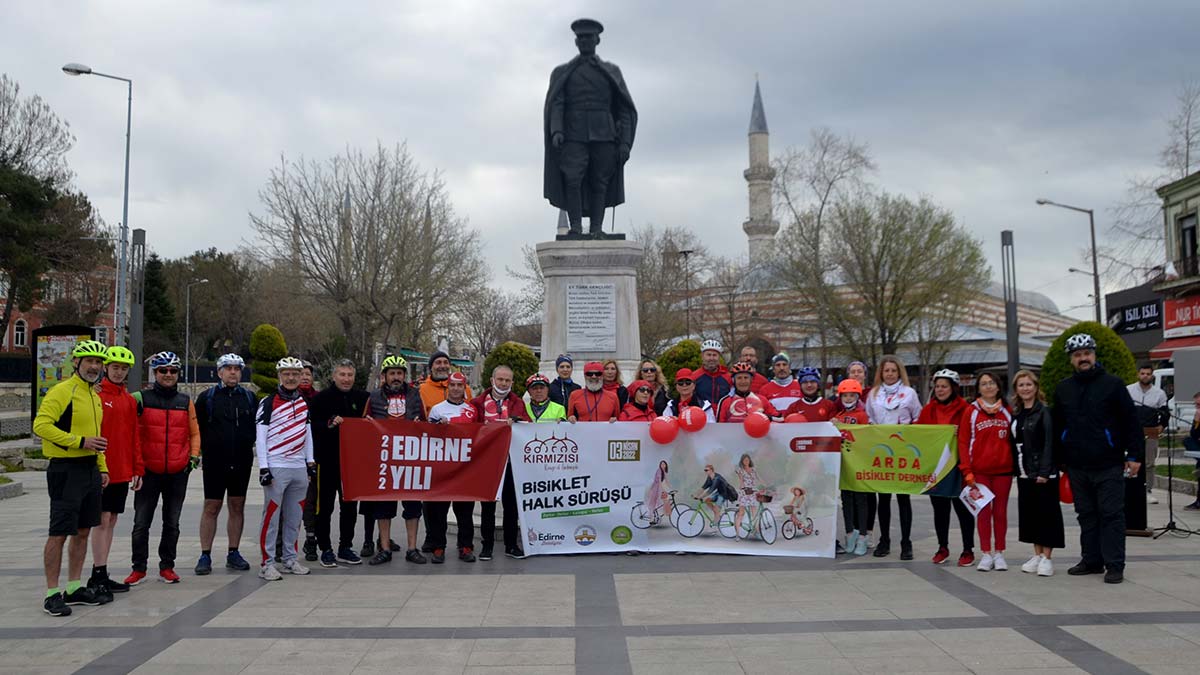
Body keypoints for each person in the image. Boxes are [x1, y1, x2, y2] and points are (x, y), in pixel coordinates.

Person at [1053, 333, 1143, 584]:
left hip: (1109, 463)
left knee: (1111, 515)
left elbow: (1131, 421)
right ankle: (1091, 560)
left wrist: (1134, 455)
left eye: (1087, 353)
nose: (1083, 358)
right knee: (1086, 515)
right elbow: (1058, 425)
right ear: (1071, 359)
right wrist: (1060, 460)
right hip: (1077, 465)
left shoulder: (1113, 384)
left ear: (1094, 355)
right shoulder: (1063, 388)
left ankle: (1114, 565)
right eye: (1077, 355)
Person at [35, 340, 110, 616]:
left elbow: (96, 435)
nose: (94, 366)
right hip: (65, 469)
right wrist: (79, 441)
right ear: (76, 362)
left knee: (83, 531)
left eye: (98, 362)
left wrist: (102, 466)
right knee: (59, 533)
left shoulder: (94, 395)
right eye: (89, 361)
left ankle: (74, 587)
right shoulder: (62, 391)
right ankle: (52, 593)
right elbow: (41, 425)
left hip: (89, 469)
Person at [126, 351, 201, 586]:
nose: (168, 374)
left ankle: (167, 566)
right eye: (162, 370)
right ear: (154, 373)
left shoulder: (185, 401)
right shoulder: (140, 398)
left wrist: (193, 457)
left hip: (177, 471)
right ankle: (138, 568)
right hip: (148, 471)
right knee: (141, 523)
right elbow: (125, 421)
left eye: (173, 371)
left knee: (172, 523)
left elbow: (195, 433)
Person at [193, 353, 257, 576]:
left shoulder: (249, 398)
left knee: (237, 505)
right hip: (215, 461)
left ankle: (233, 552)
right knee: (211, 506)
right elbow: (196, 428)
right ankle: (205, 554)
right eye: (228, 368)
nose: (233, 372)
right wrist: (197, 454)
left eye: (237, 369)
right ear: (219, 372)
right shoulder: (207, 398)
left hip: (241, 460)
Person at [255, 356, 316, 580]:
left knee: (294, 517)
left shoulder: (303, 402)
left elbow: (307, 434)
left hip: (298, 467)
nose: (291, 377)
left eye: (295, 374)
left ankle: (290, 558)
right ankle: (267, 563)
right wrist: (264, 467)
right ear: (279, 376)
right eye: (286, 373)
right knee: (271, 517)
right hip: (276, 465)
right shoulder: (268, 402)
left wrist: (310, 462)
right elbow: (260, 436)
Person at [361, 355, 427, 565]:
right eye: (392, 373)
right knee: (383, 507)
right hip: (385, 461)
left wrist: (420, 424)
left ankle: (412, 548)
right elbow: (363, 425)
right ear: (385, 376)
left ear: (404, 375)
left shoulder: (415, 395)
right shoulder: (374, 397)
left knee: (413, 506)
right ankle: (385, 549)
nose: (396, 377)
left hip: (409, 460)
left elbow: (426, 424)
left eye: (399, 373)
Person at [88, 346, 141, 599]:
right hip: (102, 469)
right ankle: (97, 573)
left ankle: (102, 570)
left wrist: (137, 468)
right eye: (115, 367)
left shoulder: (129, 400)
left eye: (124, 368)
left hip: (122, 469)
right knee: (102, 519)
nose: (119, 372)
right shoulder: (96, 395)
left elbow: (134, 436)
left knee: (112, 520)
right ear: (106, 368)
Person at [308, 359, 370, 568]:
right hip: (326, 462)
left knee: (349, 507)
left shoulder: (363, 398)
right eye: (342, 374)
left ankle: (345, 547)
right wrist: (329, 423)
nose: (346, 379)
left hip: (352, 464)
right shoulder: (320, 399)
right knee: (324, 507)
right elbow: (311, 427)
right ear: (334, 376)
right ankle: (325, 548)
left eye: (349, 375)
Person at [916, 369, 975, 568]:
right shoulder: (928, 410)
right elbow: (919, 434)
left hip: (958, 466)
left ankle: (968, 549)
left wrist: (960, 432)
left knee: (963, 509)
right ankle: (942, 547)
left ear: (953, 388)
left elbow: (972, 433)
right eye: (937, 386)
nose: (940, 390)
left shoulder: (965, 409)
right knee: (940, 510)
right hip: (938, 468)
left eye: (944, 386)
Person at [865, 354, 922, 560]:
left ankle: (906, 543)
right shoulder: (873, 394)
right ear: (881, 373)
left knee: (903, 498)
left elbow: (918, 417)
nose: (890, 374)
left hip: (903, 451)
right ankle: (885, 540)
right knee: (884, 499)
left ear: (899, 372)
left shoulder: (909, 394)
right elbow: (869, 419)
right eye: (886, 370)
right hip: (881, 452)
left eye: (893, 370)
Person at [472, 365, 531, 560]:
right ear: (492, 380)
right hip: (487, 462)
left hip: (511, 462)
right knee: (487, 506)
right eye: (500, 379)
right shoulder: (478, 403)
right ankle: (486, 546)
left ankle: (511, 545)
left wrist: (519, 423)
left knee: (511, 506)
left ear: (512, 382)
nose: (503, 383)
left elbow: (528, 425)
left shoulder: (518, 403)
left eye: (507, 380)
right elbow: (470, 428)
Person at [416, 349, 472, 553]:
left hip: (462, 460)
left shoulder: (469, 399)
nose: (442, 365)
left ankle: (465, 545)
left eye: (445, 362)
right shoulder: (422, 389)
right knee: (433, 505)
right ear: (431, 367)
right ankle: (433, 540)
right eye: (437, 362)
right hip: (436, 458)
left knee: (463, 506)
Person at [958, 372, 1014, 572]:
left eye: (991, 383)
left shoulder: (1007, 411)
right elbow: (963, 442)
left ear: (998, 386)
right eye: (984, 384)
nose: (988, 386)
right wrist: (967, 471)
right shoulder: (971, 411)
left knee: (1000, 512)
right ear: (978, 389)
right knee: (983, 512)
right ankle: (986, 553)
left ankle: (999, 552)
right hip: (979, 472)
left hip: (1003, 471)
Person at [1012, 369, 1063, 577]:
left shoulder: (1045, 412)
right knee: (1031, 515)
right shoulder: (1017, 413)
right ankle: (1037, 554)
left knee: (1047, 515)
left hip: (1043, 473)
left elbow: (1050, 442)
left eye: (1029, 384)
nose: (1025, 388)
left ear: (1036, 387)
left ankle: (1047, 558)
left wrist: (1045, 471)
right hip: (1024, 472)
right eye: (1021, 385)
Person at [426, 371, 480, 564]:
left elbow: (479, 436)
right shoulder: (436, 410)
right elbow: (428, 437)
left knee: (465, 510)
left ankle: (465, 546)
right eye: (453, 385)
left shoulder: (471, 410)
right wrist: (439, 427)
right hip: (443, 468)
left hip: (465, 468)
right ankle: (438, 546)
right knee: (438, 510)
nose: (456, 388)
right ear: (448, 387)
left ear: (464, 388)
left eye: (460, 385)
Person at [832, 378, 874, 556]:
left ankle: (863, 535)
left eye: (852, 395)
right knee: (846, 499)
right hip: (844, 464)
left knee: (861, 499)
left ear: (857, 397)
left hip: (859, 463)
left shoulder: (862, 415)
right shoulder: (838, 416)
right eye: (845, 395)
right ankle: (850, 533)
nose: (848, 398)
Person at [1128, 364, 1168, 504]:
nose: (1145, 376)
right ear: (1138, 374)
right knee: (1130, 460)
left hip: (1150, 432)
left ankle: (1148, 490)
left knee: (1149, 463)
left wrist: (1162, 426)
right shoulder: (1128, 390)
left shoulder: (1159, 393)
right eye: (1143, 373)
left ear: (1152, 376)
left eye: (1148, 374)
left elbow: (1165, 413)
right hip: (1132, 432)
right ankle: (1130, 489)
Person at [715, 363, 780, 422]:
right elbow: (719, 426)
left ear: (751, 380)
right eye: (739, 378)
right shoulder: (725, 401)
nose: (743, 381)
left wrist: (766, 417)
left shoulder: (762, 400)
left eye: (746, 378)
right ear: (733, 380)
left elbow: (780, 418)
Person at [733, 453, 763, 540]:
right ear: (742, 461)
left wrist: (765, 485)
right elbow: (741, 481)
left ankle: (757, 531)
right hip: (744, 492)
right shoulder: (741, 470)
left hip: (753, 492)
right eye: (744, 460)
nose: (746, 461)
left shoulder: (753, 469)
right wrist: (743, 488)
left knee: (754, 513)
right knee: (741, 513)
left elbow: (759, 478)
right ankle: (737, 535)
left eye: (747, 460)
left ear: (749, 460)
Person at [694, 339, 731, 404]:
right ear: (702, 356)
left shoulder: (728, 377)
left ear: (719, 357)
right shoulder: (694, 376)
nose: (711, 358)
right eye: (708, 355)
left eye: (714, 355)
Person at [644, 460, 672, 525]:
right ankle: (651, 519)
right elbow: (659, 481)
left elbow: (666, 481)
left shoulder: (664, 472)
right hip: (655, 488)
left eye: (664, 464)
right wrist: (662, 489)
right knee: (653, 503)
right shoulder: (659, 471)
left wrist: (671, 488)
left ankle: (657, 516)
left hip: (659, 487)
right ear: (660, 465)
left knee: (661, 501)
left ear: (666, 465)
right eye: (661, 464)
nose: (663, 465)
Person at [1186, 391, 1200, 511]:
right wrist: (1196, 421)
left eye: (1199, 405)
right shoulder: (1198, 415)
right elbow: (1194, 435)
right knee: (1187, 440)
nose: (1197, 407)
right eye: (1196, 405)